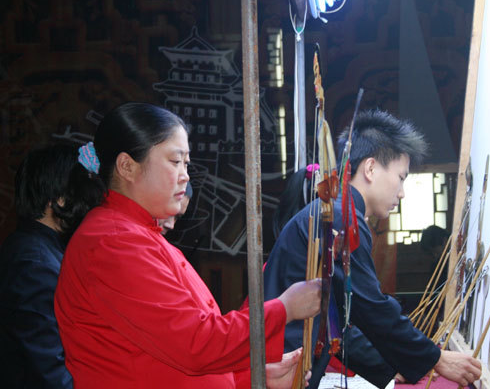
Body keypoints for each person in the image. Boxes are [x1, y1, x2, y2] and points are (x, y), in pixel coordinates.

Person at [54, 102, 321, 389]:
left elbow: (175, 356)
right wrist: (285, 308)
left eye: (186, 163)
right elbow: (196, 343)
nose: (185, 175)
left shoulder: (143, 237)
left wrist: (254, 377)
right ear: (127, 166)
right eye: (174, 161)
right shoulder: (112, 243)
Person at [263, 109, 482, 388]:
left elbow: (342, 324)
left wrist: (391, 367)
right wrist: (435, 358)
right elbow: (370, 307)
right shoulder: (341, 217)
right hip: (285, 370)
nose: (402, 192)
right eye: (401, 177)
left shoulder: (340, 211)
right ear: (370, 168)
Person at [0, 144, 75, 388]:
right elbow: (48, 372)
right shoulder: (34, 263)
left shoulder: (34, 246)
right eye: (84, 191)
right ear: (59, 198)